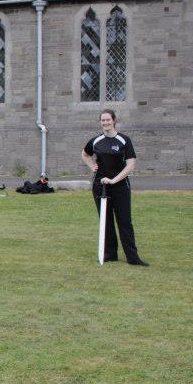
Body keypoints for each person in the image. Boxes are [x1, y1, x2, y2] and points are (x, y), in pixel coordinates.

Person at [81, 109, 148, 266]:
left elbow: (131, 164)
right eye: (103, 120)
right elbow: (85, 154)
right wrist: (92, 166)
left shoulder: (124, 140)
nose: (105, 123)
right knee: (106, 221)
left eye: (108, 120)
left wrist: (114, 180)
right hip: (100, 186)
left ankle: (133, 258)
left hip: (120, 187)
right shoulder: (96, 141)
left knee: (125, 222)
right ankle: (110, 255)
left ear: (114, 121)